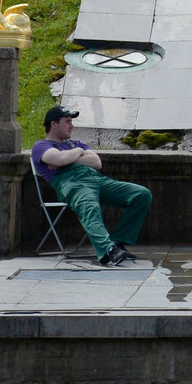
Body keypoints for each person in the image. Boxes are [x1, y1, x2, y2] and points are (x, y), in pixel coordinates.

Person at [32, 106, 151, 266]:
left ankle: (118, 241)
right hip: (73, 184)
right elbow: (59, 160)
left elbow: (96, 163)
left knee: (141, 194)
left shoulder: (76, 143)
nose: (71, 126)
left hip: (98, 180)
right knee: (89, 207)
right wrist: (77, 153)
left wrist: (69, 157)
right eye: (67, 121)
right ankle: (109, 250)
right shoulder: (41, 146)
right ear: (53, 124)